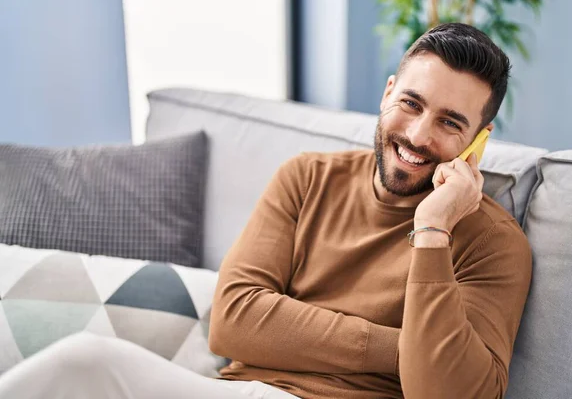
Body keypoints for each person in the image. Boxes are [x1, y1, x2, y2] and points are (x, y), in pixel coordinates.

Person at [0, 23, 531, 399]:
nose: (417, 135)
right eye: (411, 104)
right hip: (236, 389)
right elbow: (232, 320)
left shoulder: (493, 243)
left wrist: (433, 230)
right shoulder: (308, 177)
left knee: (88, 365)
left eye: (449, 123)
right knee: (83, 363)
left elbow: (449, 394)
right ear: (388, 93)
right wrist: (403, 350)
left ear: (478, 143)